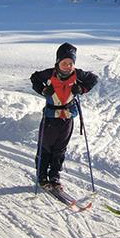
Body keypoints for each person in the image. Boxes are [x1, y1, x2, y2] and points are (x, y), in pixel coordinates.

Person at [30, 43, 98, 190]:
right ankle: (42, 176)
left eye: (70, 63)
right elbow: (34, 78)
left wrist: (81, 88)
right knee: (46, 147)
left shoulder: (77, 74)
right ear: (57, 62)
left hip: (68, 117)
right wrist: (42, 89)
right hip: (50, 116)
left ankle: (54, 176)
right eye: (64, 63)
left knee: (60, 148)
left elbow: (93, 79)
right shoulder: (49, 74)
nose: (67, 66)